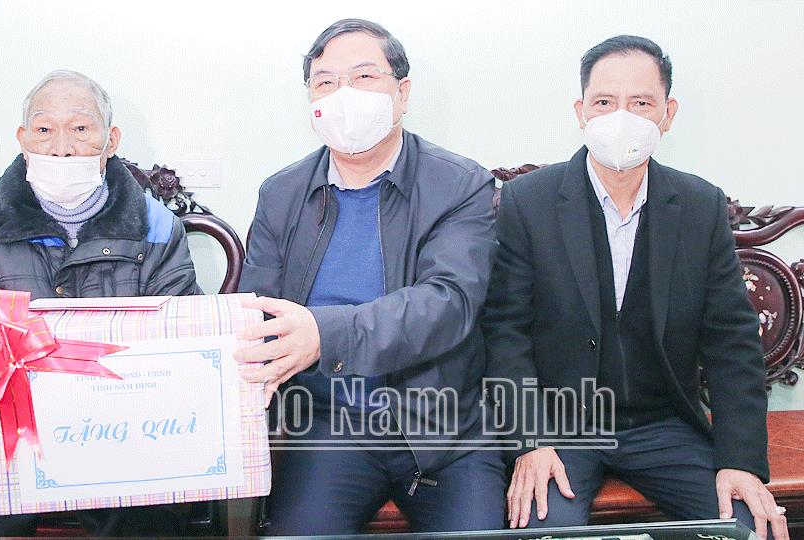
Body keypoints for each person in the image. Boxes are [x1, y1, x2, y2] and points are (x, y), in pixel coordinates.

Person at [483, 36, 788, 540]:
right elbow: (504, 332)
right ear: (582, 111)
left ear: (667, 114)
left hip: (664, 426)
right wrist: (530, 441)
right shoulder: (528, 202)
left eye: (641, 103)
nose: (621, 117)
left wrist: (740, 461)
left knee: (750, 528)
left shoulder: (699, 205)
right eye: (605, 102)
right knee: (540, 531)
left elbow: (732, 342)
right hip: (562, 430)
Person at [236, 18, 505, 535]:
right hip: (329, 424)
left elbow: (449, 303)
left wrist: (324, 334)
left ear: (402, 93)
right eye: (326, 82)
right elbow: (258, 311)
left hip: (444, 427)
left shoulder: (460, 184)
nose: (344, 96)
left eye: (363, 77)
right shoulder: (281, 193)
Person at [0, 69, 200, 539]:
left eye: (80, 128)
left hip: (127, 434)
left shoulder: (156, 227)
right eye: (44, 129)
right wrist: (6, 437)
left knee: (147, 521)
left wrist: (128, 429)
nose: (61, 148)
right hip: (9, 434)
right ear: (22, 139)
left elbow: (182, 344)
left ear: (110, 140)